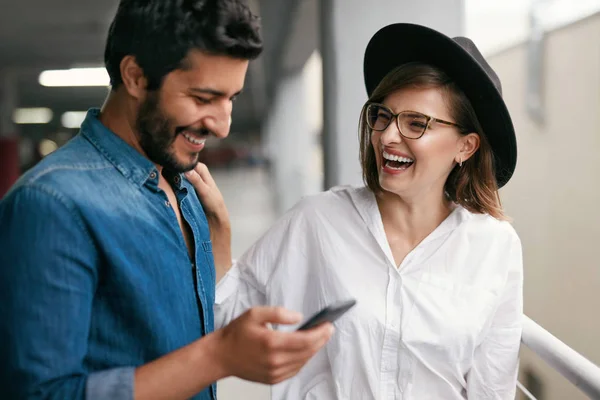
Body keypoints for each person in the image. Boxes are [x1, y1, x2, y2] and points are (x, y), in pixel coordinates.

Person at [0, 1, 333, 399]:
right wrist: (218, 355)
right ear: (136, 77)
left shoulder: (185, 187)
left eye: (232, 99)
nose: (223, 126)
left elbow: (173, 337)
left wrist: (220, 246)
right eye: (203, 98)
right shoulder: (52, 205)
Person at [211, 23, 524, 399]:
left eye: (416, 123)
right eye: (383, 115)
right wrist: (217, 234)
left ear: (466, 146)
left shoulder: (495, 246)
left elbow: (493, 388)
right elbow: (223, 314)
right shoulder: (318, 220)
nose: (388, 136)